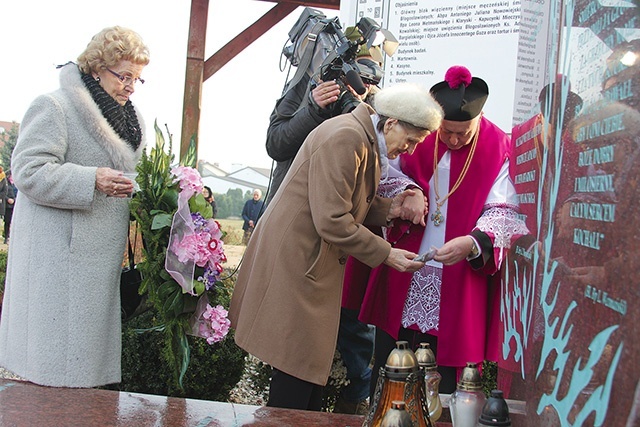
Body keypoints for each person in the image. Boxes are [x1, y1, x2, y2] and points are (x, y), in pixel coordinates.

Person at [229, 82, 444, 412]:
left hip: (306, 262)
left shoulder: (360, 136)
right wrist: (387, 254)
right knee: (296, 372)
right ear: (391, 124)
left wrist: (390, 208)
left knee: (304, 373)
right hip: (299, 263)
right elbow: (331, 219)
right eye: (411, 141)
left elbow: (346, 200)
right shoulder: (347, 137)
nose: (410, 150)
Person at [347, 66, 529, 396]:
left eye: (463, 132)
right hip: (408, 263)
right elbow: (384, 171)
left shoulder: (498, 146)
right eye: (447, 131)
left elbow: (504, 211)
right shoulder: (421, 132)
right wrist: (409, 192)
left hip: (456, 275)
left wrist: (474, 243)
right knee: (393, 362)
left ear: (480, 117)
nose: (454, 139)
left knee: (441, 378)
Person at [0, 26, 149, 387]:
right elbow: (28, 171)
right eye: (124, 75)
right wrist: (90, 179)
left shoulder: (133, 119)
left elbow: (131, 173)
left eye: (138, 79)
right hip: (60, 258)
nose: (130, 85)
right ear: (97, 67)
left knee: (88, 372)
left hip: (102, 256)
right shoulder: (54, 106)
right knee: (56, 375)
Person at [265, 27, 385, 414]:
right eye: (359, 75)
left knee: (351, 340)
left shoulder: (375, 113)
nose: (362, 86)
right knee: (295, 348)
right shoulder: (307, 91)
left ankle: (350, 406)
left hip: (344, 242)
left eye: (371, 80)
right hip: (302, 237)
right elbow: (276, 142)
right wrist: (313, 108)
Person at [3, 175, 16, 244]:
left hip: (15, 205)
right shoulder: (5, 183)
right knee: (7, 222)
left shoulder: (16, 184)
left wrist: (14, 200)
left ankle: (12, 237)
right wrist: (8, 199)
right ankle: (6, 237)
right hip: (8, 206)